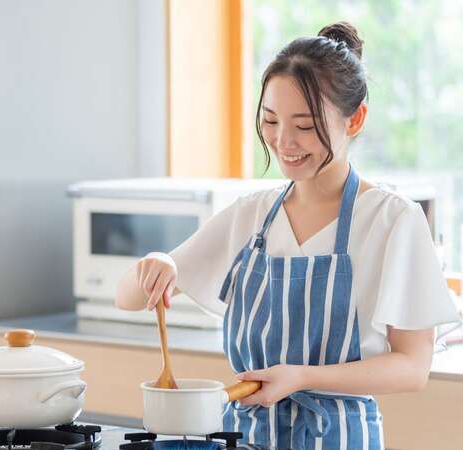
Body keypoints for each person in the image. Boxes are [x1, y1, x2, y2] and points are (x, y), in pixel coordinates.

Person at [115, 21, 460, 450]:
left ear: (355, 120)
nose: (284, 142)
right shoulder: (252, 215)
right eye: (271, 121)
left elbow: (412, 367)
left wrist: (304, 377)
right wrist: (157, 264)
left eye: (305, 124)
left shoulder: (392, 220)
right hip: (247, 437)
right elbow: (128, 297)